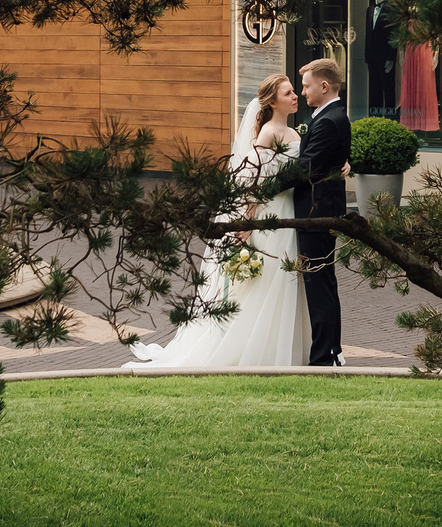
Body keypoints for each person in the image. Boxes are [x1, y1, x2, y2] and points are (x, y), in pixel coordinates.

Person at [125, 74, 310, 368]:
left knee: (286, 279)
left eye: (293, 91)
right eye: (288, 93)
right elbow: (254, 181)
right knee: (267, 281)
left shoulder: (295, 134)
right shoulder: (267, 133)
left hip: (289, 212)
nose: (295, 96)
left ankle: (282, 347)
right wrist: (247, 223)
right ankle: (254, 349)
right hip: (269, 215)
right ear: (273, 102)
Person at [279, 57, 349, 367]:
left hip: (316, 213)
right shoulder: (329, 116)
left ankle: (322, 358)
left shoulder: (330, 120)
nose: (303, 92)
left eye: (306, 86)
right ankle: (332, 350)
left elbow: (305, 168)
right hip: (319, 210)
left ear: (324, 86)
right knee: (324, 284)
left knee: (319, 286)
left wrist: (263, 187)